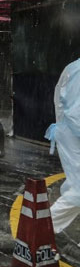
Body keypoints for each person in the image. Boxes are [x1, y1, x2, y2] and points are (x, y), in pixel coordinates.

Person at [45, 57, 80, 236]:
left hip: (70, 134)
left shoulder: (73, 68)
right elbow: (76, 113)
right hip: (73, 136)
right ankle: (41, 229)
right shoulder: (77, 71)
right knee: (78, 191)